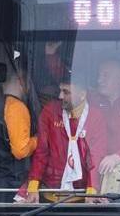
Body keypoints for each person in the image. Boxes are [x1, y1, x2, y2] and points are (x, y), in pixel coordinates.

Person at [20, 72, 107, 203]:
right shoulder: (50, 111)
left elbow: (95, 155)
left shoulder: (96, 116)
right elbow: (41, 150)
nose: (60, 96)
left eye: (66, 92)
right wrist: (33, 186)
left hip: (81, 194)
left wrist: (92, 190)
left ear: (82, 94)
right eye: (60, 91)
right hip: (50, 192)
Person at [0, 69, 36, 191]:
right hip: (12, 182)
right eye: (29, 84)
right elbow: (20, 150)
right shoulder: (16, 107)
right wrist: (38, 140)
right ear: (21, 81)